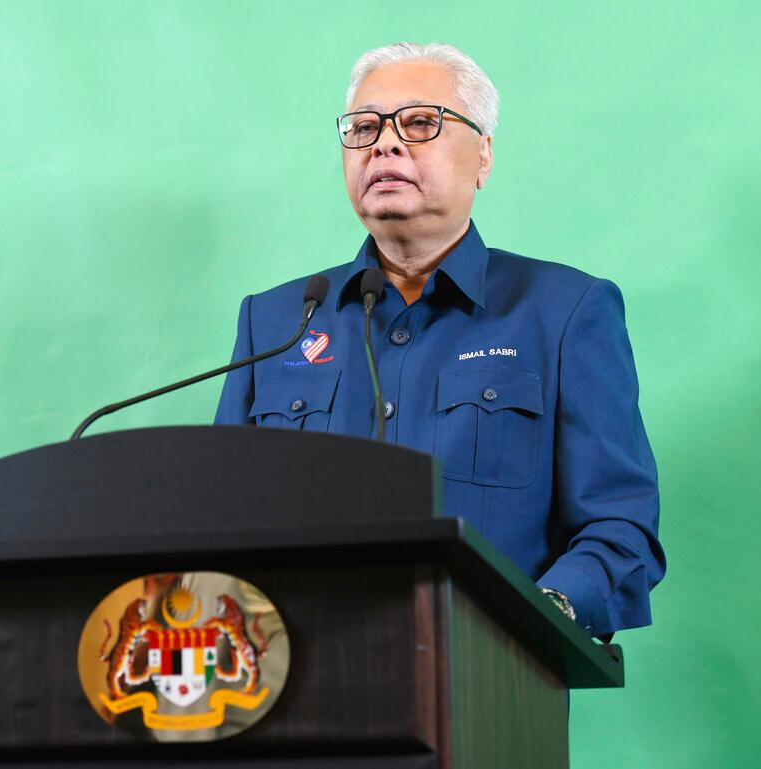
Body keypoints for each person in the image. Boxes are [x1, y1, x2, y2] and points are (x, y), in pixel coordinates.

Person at [215, 42, 665, 637]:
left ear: (482, 156)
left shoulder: (565, 312)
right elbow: (216, 519)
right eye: (364, 127)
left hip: (488, 681)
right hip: (292, 678)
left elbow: (619, 525)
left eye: (421, 122)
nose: (385, 144)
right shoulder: (275, 322)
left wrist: (544, 611)